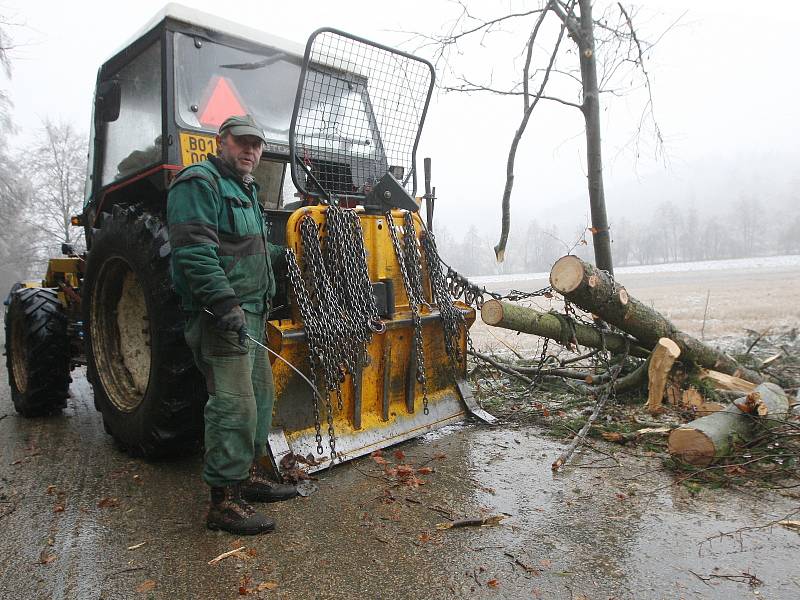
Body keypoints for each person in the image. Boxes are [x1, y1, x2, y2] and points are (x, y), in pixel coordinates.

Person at [167, 114, 296, 536]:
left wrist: (287, 255)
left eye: (257, 145)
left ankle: (248, 476)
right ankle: (222, 500)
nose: (251, 151)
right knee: (233, 404)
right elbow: (194, 252)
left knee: (258, 397)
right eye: (242, 142)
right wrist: (224, 304)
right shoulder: (198, 183)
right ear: (221, 141)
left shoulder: (246, 189)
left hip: (253, 312)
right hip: (222, 315)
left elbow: (248, 249)